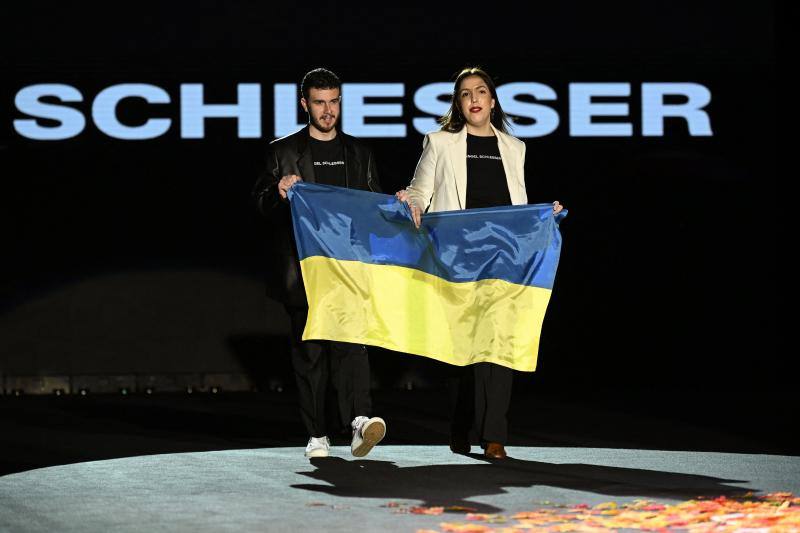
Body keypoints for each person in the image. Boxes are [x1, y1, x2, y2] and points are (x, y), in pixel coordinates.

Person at [396, 67, 564, 460]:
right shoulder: (440, 143)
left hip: (504, 258)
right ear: (458, 103)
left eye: (481, 91)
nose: (474, 98)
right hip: (458, 258)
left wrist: (543, 217)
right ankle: (462, 422)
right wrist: (414, 203)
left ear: (492, 100)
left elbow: (518, 204)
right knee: (463, 351)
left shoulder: (515, 147)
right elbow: (421, 190)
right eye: (466, 93)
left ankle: (495, 436)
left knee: (498, 345)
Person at [252, 68, 386, 459]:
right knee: (311, 354)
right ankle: (317, 435)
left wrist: (398, 204)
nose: (328, 111)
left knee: (353, 347)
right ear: (305, 104)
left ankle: (360, 422)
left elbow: (374, 206)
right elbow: (259, 204)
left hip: (348, 267)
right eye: (320, 102)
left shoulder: (359, 154)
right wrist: (277, 191)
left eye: (334, 101)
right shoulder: (283, 151)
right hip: (305, 269)